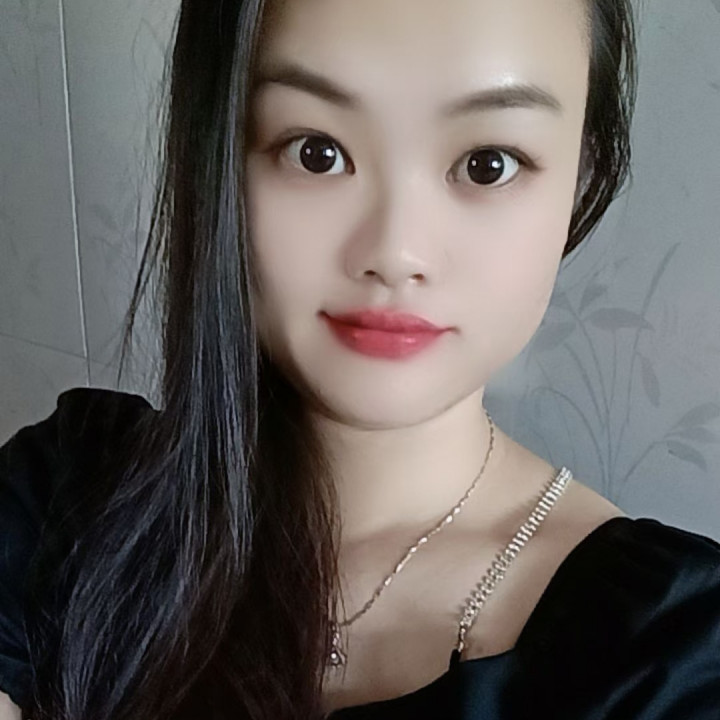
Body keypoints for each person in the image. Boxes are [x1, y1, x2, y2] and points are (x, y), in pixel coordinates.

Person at [1, 0, 720, 718]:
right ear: (218, 157)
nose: (395, 252)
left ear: (582, 179)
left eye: (487, 165)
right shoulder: (69, 499)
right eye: (315, 151)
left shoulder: (672, 655)